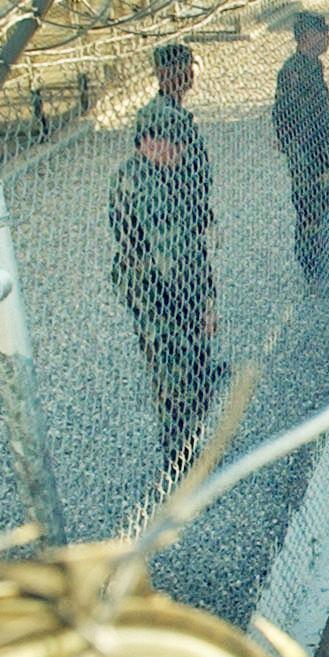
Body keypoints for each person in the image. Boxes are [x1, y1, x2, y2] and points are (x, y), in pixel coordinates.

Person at [110, 43, 224, 476]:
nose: (180, 155)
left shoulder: (154, 174)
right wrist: (201, 307)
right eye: (173, 147)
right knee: (175, 376)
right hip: (162, 293)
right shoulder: (148, 186)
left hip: (167, 288)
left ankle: (188, 446)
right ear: (151, 142)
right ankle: (180, 459)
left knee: (185, 368)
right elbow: (173, 258)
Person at [271, 12, 329, 282]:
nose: (327, 38)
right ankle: (313, 269)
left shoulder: (312, 66)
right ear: (308, 36)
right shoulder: (293, 71)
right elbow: (291, 120)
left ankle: (323, 261)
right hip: (308, 158)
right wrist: (314, 162)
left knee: (327, 208)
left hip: (320, 153)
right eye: (323, 33)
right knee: (311, 210)